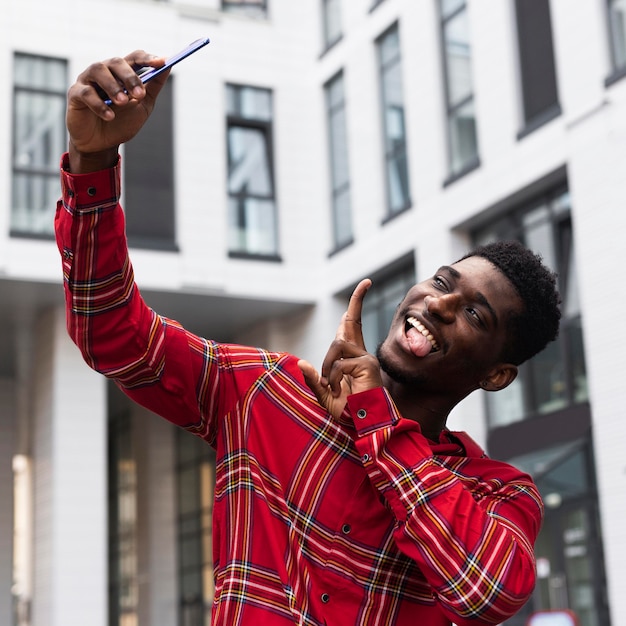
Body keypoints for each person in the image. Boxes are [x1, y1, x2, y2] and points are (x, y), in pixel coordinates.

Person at [55, 50, 561, 626]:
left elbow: (487, 591)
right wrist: (93, 160)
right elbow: (112, 334)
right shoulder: (262, 390)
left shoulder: (497, 495)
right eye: (443, 282)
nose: (440, 304)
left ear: (496, 375)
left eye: (475, 315)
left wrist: (375, 417)